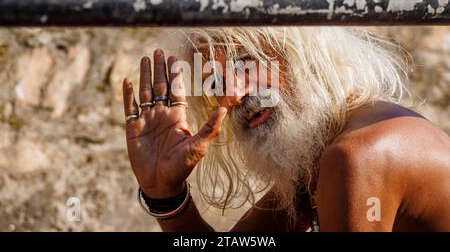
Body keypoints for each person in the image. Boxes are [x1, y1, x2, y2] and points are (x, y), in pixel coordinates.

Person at [122, 27, 450, 231]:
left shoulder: (357, 155)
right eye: (216, 82)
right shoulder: (322, 154)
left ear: (302, 55)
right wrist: (164, 195)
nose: (232, 95)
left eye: (246, 63)